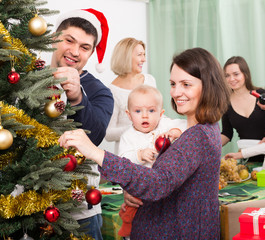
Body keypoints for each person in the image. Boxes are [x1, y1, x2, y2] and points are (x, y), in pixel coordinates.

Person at [58, 47, 231, 239]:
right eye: (173, 84)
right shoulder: (201, 128)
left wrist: (95, 152)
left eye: (186, 84)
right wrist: (134, 190)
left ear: (207, 86)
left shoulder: (198, 136)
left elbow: (158, 182)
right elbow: (169, 183)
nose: (176, 92)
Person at [51, 9, 114, 239]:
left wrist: (77, 97)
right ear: (54, 37)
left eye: (85, 47)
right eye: (69, 40)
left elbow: (95, 136)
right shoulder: (26, 79)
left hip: (79, 213)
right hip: (26, 207)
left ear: (90, 53)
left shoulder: (100, 92)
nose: (75, 52)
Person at [118, 85, 186, 238]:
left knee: (165, 221)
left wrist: (175, 132)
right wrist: (139, 155)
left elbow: (186, 125)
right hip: (140, 190)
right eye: (138, 111)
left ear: (161, 113)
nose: (145, 116)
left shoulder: (164, 124)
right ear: (129, 115)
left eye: (151, 111)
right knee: (133, 217)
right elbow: (122, 162)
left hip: (165, 189)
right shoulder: (128, 136)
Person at [221, 56, 265, 163]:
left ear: (245, 74)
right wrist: (209, 147)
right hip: (247, 159)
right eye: (227, 76)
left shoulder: (261, 95)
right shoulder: (225, 104)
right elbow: (226, 134)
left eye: (236, 74)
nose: (231, 79)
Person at [105, 38, 156, 155]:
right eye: (139, 55)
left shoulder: (150, 80)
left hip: (152, 151)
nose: (144, 59)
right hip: (128, 153)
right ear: (126, 57)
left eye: (144, 54)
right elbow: (108, 134)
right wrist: (136, 126)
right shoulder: (112, 91)